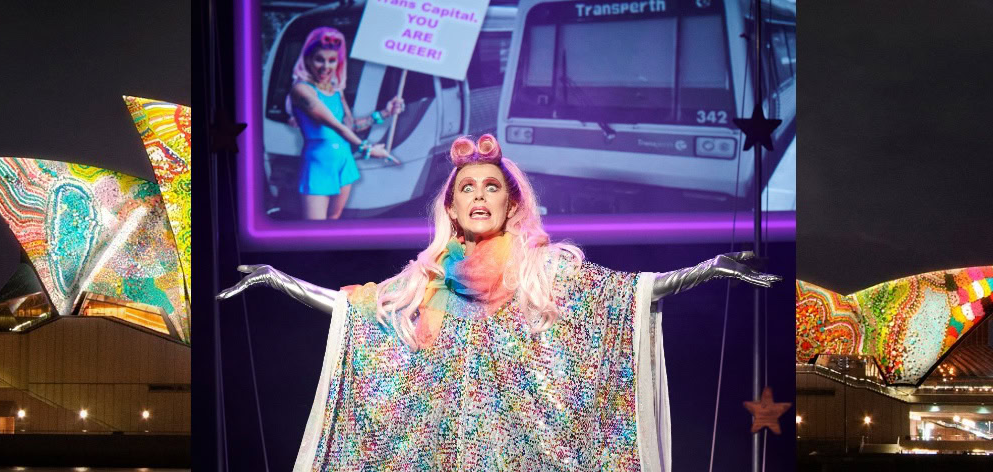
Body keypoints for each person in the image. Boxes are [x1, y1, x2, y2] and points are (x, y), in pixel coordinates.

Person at [218, 134, 780, 471]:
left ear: (511, 204)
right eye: (467, 188)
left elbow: (624, 293)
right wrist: (278, 280)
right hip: (447, 446)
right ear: (452, 208)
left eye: (491, 186)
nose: (479, 195)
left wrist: (705, 270)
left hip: (527, 446)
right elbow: (357, 312)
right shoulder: (428, 278)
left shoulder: (544, 267)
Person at [287, 27, 405, 220]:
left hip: (344, 160)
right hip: (318, 164)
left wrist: (386, 112)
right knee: (315, 232)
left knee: (334, 220)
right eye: (319, 59)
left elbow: (350, 126)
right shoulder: (301, 90)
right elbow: (335, 125)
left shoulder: (336, 91)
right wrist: (368, 149)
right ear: (308, 59)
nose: (326, 66)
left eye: (332, 60)